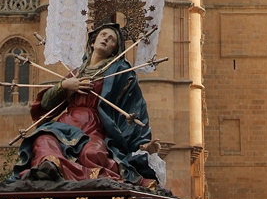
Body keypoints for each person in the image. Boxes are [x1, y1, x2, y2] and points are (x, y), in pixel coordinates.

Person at [10, 23, 161, 187]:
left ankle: (72, 172)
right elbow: (46, 104)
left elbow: (133, 108)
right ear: (92, 42)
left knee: (92, 153)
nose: (106, 39)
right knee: (43, 138)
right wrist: (64, 86)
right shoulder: (76, 73)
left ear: (115, 50)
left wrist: (142, 146)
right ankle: (51, 167)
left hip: (94, 128)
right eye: (103, 35)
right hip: (66, 125)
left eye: (112, 39)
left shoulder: (120, 73)